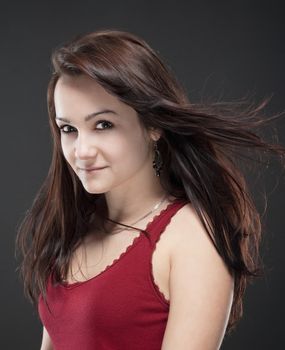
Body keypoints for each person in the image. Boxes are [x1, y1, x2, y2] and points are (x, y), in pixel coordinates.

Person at [15, 29, 285, 350]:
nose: (82, 150)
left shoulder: (192, 238)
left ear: (153, 125)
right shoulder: (76, 224)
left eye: (103, 125)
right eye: (68, 129)